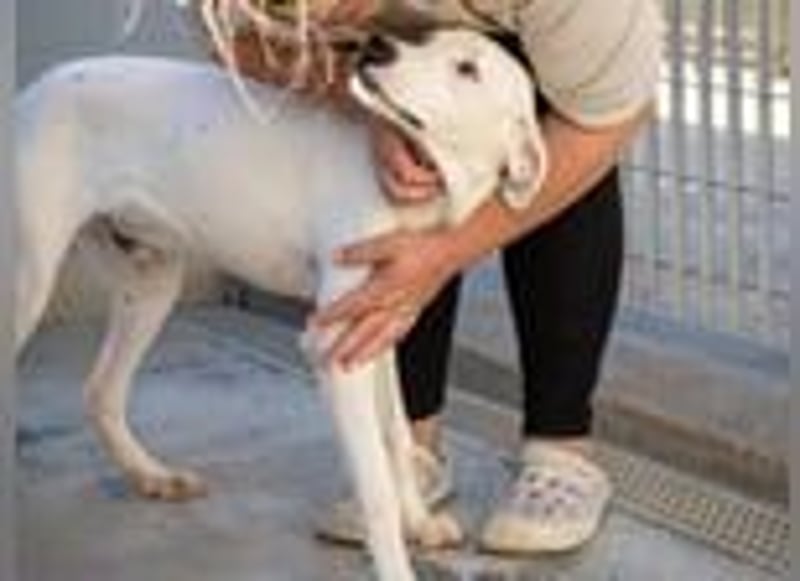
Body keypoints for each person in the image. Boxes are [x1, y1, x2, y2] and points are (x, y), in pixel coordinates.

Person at [191, 0, 663, 554]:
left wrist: (446, 253)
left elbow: (601, 121)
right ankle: (410, 446)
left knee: (550, 128)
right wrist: (370, 102)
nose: (308, 22)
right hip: (423, 20)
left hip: (558, 44)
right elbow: (231, 40)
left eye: (319, 10)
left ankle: (560, 447)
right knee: (406, 155)